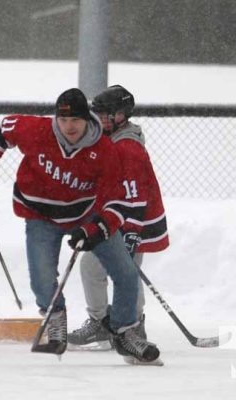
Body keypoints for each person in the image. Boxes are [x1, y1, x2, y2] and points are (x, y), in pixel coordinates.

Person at [0, 87, 161, 363]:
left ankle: (125, 332)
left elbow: (116, 201)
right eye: (64, 120)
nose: (69, 127)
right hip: (40, 214)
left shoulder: (104, 150)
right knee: (42, 279)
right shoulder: (37, 130)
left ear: (87, 120)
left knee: (127, 274)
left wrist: (97, 229)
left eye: (76, 121)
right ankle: (55, 316)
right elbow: (4, 128)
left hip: (84, 214)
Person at [67, 85, 169, 357]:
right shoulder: (108, 140)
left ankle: (134, 328)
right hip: (116, 220)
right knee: (92, 266)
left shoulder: (128, 148)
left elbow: (136, 196)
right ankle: (101, 322)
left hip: (137, 221)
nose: (96, 119)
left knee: (128, 275)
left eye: (102, 114)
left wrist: (133, 233)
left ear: (119, 116)